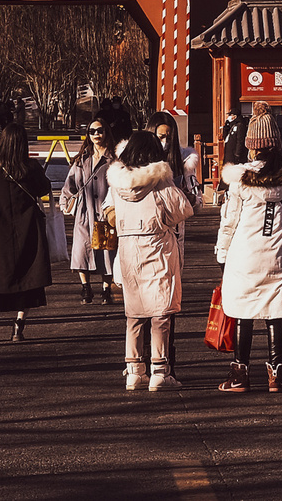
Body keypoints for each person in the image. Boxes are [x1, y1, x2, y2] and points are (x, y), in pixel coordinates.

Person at [213, 111, 282, 395]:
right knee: (277, 311)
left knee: (242, 311)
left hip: (244, 254)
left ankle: (239, 375)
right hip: (280, 253)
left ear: (251, 146)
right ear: (276, 144)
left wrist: (222, 254)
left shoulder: (240, 179)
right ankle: (276, 375)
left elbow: (229, 221)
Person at [107, 129, 195, 392]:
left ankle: (134, 371)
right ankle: (159, 370)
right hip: (158, 249)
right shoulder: (160, 181)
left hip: (128, 252)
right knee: (160, 313)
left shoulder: (118, 184)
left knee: (134, 314)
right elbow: (182, 210)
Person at [0, 121, 52, 343]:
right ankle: (18, 328)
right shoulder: (31, 168)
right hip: (27, 229)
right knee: (27, 279)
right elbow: (44, 188)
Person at [61, 134, 116, 304]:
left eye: (100, 130)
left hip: (105, 212)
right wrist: (65, 202)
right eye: (92, 131)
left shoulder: (114, 159)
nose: (96, 134)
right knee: (81, 251)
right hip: (84, 212)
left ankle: (106, 289)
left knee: (107, 251)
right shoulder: (81, 159)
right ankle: (86, 287)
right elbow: (69, 185)